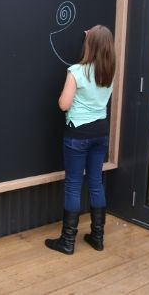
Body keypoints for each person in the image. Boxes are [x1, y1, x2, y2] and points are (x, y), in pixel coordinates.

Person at [45, 25, 115, 255]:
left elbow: (63, 104)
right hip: (101, 133)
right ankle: (98, 237)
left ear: (89, 45)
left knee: (74, 185)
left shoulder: (76, 71)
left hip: (78, 135)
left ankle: (67, 241)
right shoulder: (109, 72)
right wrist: (93, 35)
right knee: (96, 182)